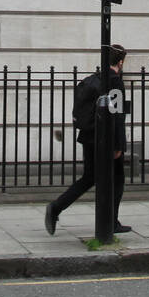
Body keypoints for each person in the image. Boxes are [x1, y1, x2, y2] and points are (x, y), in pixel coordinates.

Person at [45, 43, 130, 236]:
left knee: (90, 177)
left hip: (88, 137)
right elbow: (117, 115)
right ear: (121, 61)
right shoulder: (114, 81)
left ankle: (56, 207)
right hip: (105, 140)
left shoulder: (94, 79)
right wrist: (118, 145)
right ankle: (111, 222)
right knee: (117, 180)